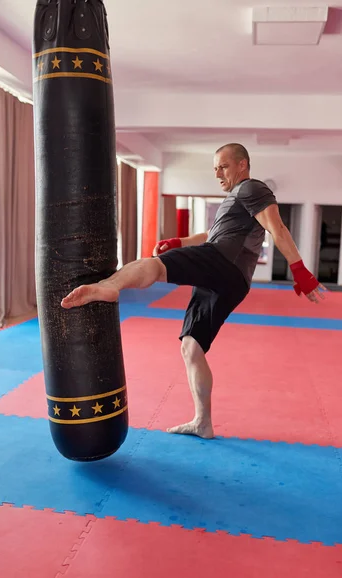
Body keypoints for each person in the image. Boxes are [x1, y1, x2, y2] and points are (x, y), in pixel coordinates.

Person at [61, 143, 326, 439]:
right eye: (215, 168)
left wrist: (301, 272)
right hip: (233, 280)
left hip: (221, 263)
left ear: (242, 165)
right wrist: (179, 242)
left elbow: (278, 229)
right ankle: (203, 422)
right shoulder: (237, 202)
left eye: (223, 166)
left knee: (155, 266)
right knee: (191, 346)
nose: (218, 174)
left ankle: (109, 286)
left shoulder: (252, 188)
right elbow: (212, 235)